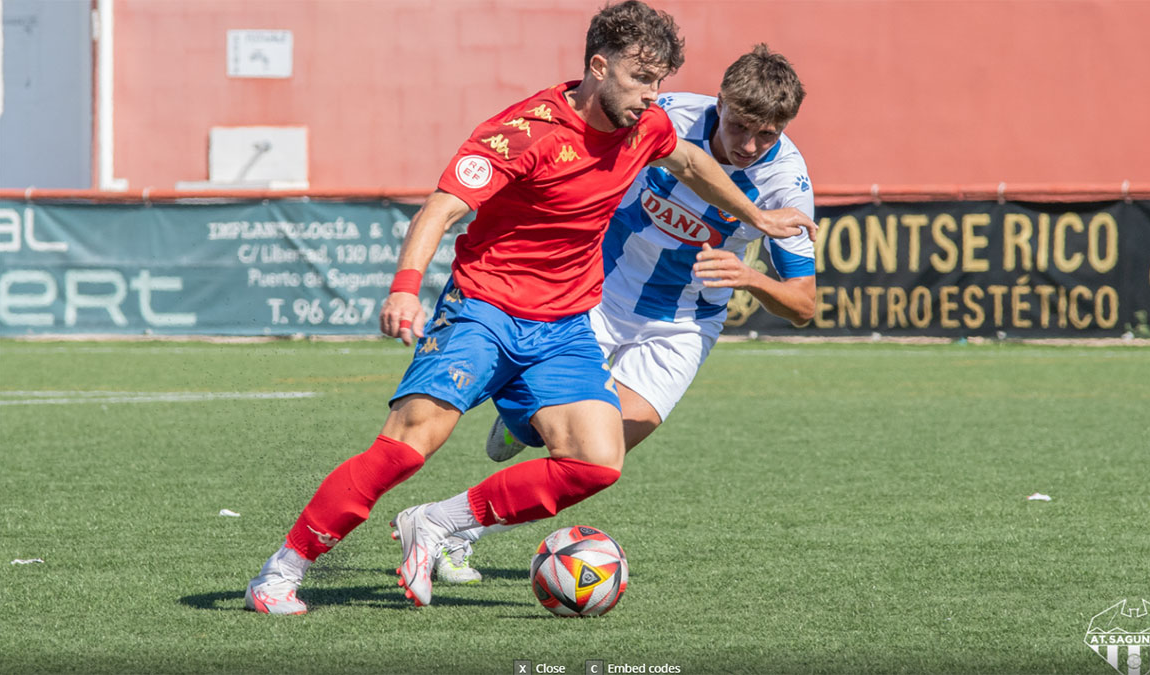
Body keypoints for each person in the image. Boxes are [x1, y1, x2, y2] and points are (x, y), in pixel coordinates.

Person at [245, 2, 815, 614]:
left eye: (660, 83)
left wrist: (756, 218)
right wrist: (406, 287)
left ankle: (438, 525)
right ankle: (281, 570)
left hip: (567, 321)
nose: (654, 97)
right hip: (485, 306)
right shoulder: (524, 131)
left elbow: (691, 161)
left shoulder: (647, 125)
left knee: (597, 462)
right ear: (599, 67)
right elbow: (440, 208)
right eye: (642, 80)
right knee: (409, 445)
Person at [426, 44, 816, 584]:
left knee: (598, 458)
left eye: (767, 135)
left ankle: (455, 532)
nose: (749, 146)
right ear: (720, 102)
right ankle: (520, 420)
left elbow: (803, 305)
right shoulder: (666, 116)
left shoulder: (786, 180)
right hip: (594, 296)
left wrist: (750, 276)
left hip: (681, 326)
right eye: (740, 126)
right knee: (552, 433)